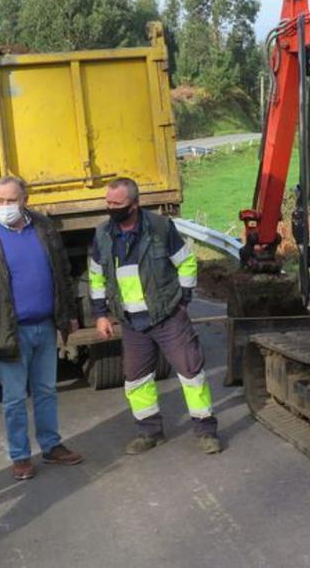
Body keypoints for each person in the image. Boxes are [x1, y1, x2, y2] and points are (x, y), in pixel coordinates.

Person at [0, 175, 85, 480]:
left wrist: (67, 314)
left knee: (46, 390)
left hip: (44, 326)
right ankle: (20, 456)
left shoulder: (43, 227)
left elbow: (62, 272)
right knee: (14, 398)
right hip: (8, 333)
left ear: (25, 200)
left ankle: (51, 446)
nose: (5, 206)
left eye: (11, 200)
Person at [89, 177, 222, 455]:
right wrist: (101, 315)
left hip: (167, 316)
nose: (111, 208)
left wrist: (184, 300)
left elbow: (185, 261)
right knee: (136, 380)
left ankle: (206, 432)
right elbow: (96, 276)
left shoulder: (161, 228)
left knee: (191, 373)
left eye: (117, 204)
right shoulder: (102, 234)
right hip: (131, 322)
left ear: (134, 205)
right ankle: (149, 433)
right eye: (108, 202)